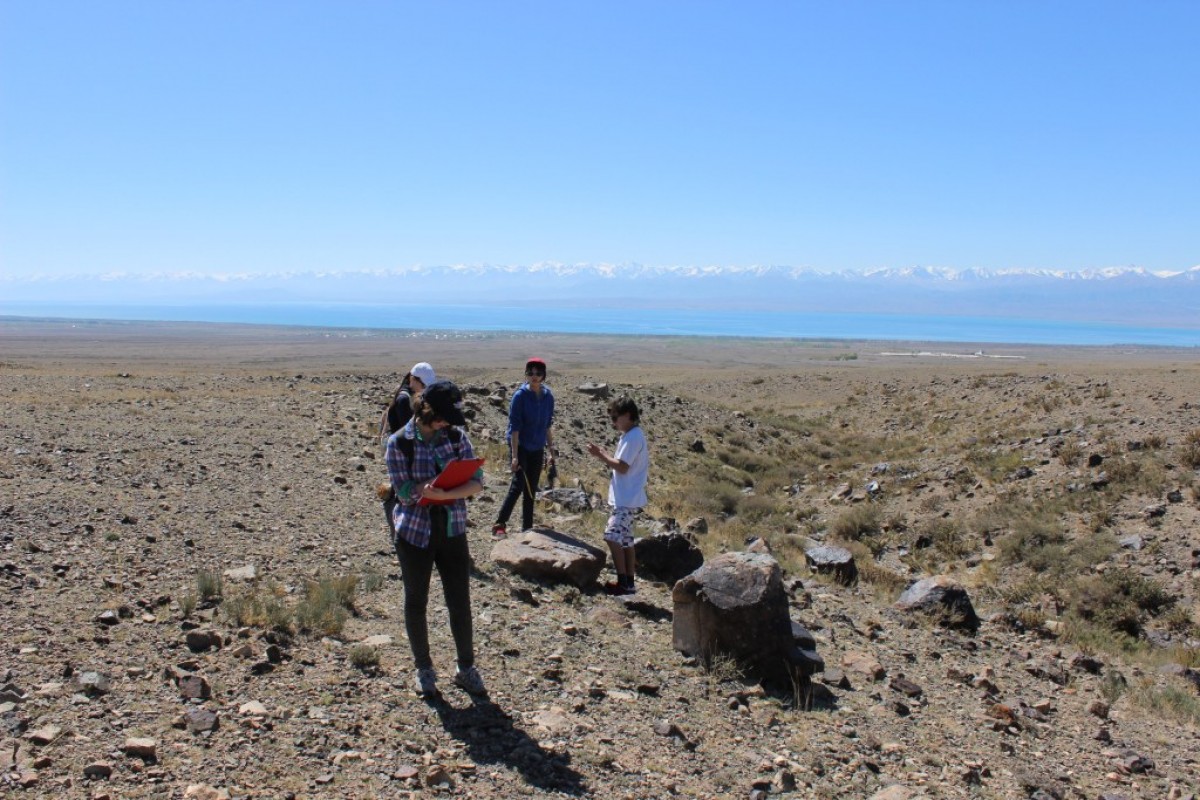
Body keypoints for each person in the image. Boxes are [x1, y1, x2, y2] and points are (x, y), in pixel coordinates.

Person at [386, 380, 486, 697]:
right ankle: (424, 669)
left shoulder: (456, 437)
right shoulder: (399, 443)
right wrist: (429, 489)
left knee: (460, 601)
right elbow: (403, 492)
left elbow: (477, 482)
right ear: (426, 410)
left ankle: (465, 668)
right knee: (416, 601)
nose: (445, 424)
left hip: (452, 529)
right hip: (414, 533)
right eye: (442, 417)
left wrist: (444, 494)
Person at [587, 396, 649, 596]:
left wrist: (601, 455)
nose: (613, 422)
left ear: (628, 415)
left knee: (612, 536)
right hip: (627, 498)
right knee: (626, 541)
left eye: (616, 418)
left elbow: (622, 467)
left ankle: (623, 582)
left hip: (626, 499)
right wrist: (605, 455)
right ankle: (629, 583)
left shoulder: (632, 438)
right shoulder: (632, 435)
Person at [492, 357, 556, 538]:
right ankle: (500, 524)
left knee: (531, 488)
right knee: (518, 484)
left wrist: (551, 450)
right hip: (520, 444)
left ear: (543, 375)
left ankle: (527, 527)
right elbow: (515, 428)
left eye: (538, 373)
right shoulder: (520, 396)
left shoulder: (548, 397)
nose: (534, 376)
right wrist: (514, 456)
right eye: (530, 372)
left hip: (537, 446)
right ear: (526, 374)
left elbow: (547, 426)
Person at [378, 362, 437, 539]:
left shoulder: (406, 394)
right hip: (400, 450)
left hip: (400, 448)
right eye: (423, 385)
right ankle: (398, 531)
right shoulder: (405, 399)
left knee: (400, 489)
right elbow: (408, 429)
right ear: (413, 379)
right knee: (399, 490)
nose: (425, 389)